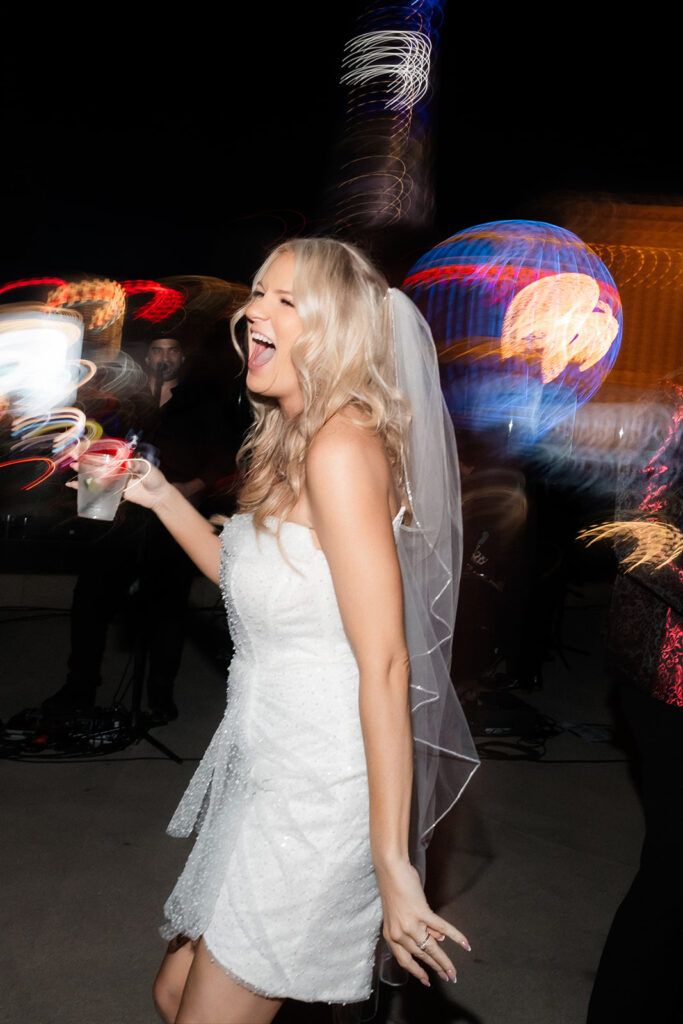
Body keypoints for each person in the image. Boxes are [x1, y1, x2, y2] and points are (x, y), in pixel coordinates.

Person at [122, 238, 478, 1023]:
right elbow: (257, 586)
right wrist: (157, 494)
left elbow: (385, 661)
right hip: (263, 766)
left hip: (320, 790)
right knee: (172, 991)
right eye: (257, 292)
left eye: (288, 300)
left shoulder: (341, 445)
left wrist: (392, 861)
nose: (255, 311)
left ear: (339, 330)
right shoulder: (289, 441)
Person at [44, 334, 234, 724]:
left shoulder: (201, 405)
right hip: (118, 518)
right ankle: (79, 686)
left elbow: (218, 463)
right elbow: (96, 444)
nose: (165, 357)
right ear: (148, 356)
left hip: (173, 521)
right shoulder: (126, 402)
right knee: (91, 598)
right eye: (158, 350)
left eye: (173, 350)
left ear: (183, 356)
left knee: (167, 607)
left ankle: (159, 695)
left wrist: (184, 490)